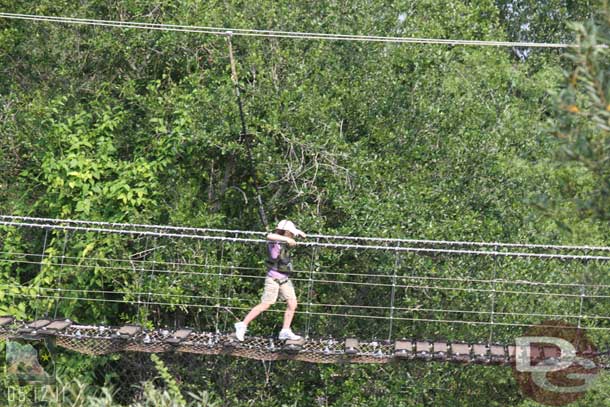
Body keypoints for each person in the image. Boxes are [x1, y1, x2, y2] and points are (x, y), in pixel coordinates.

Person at [234, 220, 306, 341]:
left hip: (284, 277)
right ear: (286, 233)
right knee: (266, 304)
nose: (293, 236)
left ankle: (285, 330)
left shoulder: (283, 239)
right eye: (291, 233)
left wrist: (298, 232)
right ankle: (242, 325)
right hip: (273, 278)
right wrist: (288, 239)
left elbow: (290, 235)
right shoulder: (274, 241)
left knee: (292, 303)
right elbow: (269, 235)